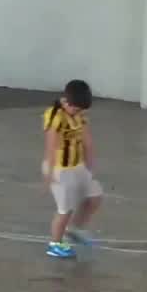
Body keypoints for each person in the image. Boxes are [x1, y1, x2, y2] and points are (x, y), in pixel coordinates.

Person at [42, 80, 102, 259]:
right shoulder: (55, 116)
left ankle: (74, 229)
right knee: (64, 209)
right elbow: (51, 146)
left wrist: (90, 162)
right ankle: (55, 244)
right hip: (60, 168)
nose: (78, 112)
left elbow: (86, 139)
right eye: (76, 109)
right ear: (66, 101)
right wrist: (49, 174)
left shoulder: (79, 115)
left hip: (78, 166)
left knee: (94, 197)